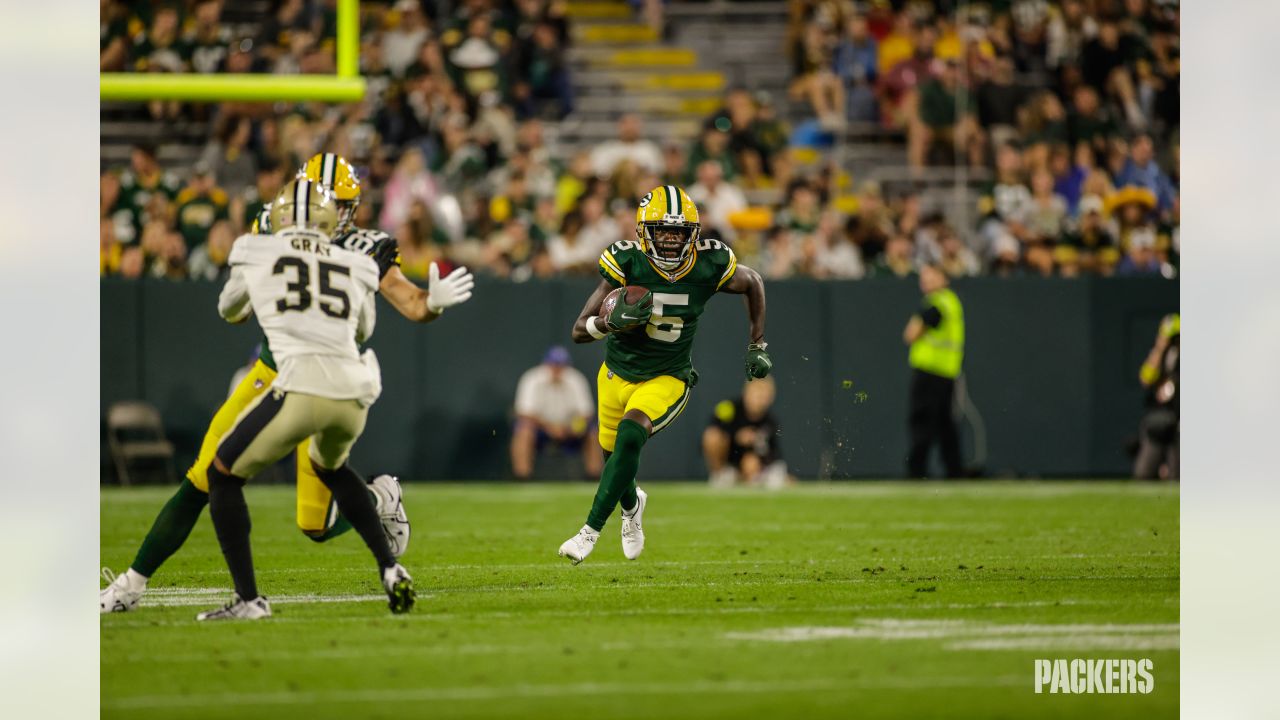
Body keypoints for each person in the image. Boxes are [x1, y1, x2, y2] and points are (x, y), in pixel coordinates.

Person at [100, 153, 476, 613]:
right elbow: (239, 311)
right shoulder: (270, 230)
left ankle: (379, 498)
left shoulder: (361, 247)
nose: (333, 212)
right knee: (205, 474)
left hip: (324, 377)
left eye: (340, 203)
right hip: (273, 372)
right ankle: (131, 585)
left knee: (314, 524)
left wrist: (432, 304)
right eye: (326, 200)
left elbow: (411, 304)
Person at [195, 180, 410, 619]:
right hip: (354, 391)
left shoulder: (261, 250)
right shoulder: (355, 261)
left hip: (303, 384)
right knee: (330, 469)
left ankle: (250, 599)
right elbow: (364, 330)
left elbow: (229, 310)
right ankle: (390, 570)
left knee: (222, 472)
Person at [559, 185, 771, 564]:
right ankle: (632, 509)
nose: (671, 240)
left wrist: (758, 344)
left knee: (630, 435)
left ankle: (588, 532)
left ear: (694, 233)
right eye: (663, 231)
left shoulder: (709, 264)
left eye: (679, 232)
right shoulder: (627, 261)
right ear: (644, 232)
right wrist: (609, 322)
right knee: (616, 461)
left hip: (667, 375)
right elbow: (578, 330)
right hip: (615, 374)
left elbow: (753, 281)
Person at [902, 264, 965, 478]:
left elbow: (910, 334)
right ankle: (955, 471)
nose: (926, 281)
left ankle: (916, 471)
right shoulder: (952, 302)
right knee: (945, 424)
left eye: (931, 276)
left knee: (922, 422)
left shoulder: (936, 303)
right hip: (947, 372)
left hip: (930, 372)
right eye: (923, 277)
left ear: (944, 278)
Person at [510, 346, 601, 479]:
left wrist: (571, 427)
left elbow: (586, 413)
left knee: (592, 432)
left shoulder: (575, 379)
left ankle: (594, 478)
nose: (557, 369)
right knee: (523, 430)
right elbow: (524, 413)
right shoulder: (532, 378)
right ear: (546, 364)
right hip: (540, 430)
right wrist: (550, 427)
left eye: (561, 365)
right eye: (553, 365)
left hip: (569, 430)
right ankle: (522, 478)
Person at [703, 376, 786, 489]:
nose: (760, 399)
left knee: (752, 462)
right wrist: (737, 436)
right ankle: (719, 475)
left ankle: (749, 480)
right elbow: (712, 434)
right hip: (728, 460)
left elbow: (773, 453)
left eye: (764, 395)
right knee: (712, 437)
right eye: (757, 393)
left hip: (753, 466)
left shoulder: (770, 421)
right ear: (747, 392)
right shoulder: (728, 408)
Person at [1134, 313, 1179, 480]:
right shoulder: (1161, 356)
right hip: (1159, 421)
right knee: (1144, 473)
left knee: (1178, 475)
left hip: (1179, 422)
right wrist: (1161, 346)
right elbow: (1146, 378)